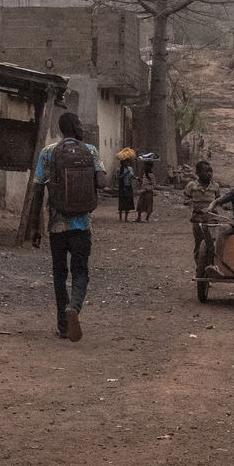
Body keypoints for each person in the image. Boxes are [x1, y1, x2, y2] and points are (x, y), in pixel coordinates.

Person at [33, 112, 106, 341]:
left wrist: (35, 227)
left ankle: (63, 327)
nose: (82, 128)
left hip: (57, 226)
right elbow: (102, 183)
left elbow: (37, 190)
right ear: (73, 127)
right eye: (80, 124)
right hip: (81, 225)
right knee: (80, 271)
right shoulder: (90, 151)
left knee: (59, 273)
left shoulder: (47, 152)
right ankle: (74, 305)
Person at [183, 160, 219, 269]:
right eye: (206, 171)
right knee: (199, 243)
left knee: (211, 242)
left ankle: (210, 265)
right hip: (197, 219)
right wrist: (194, 207)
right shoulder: (192, 185)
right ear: (198, 173)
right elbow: (185, 199)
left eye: (210, 171)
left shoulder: (215, 186)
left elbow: (218, 200)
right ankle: (200, 267)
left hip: (212, 219)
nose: (209, 174)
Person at [116, 152, 136, 222]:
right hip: (122, 187)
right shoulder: (119, 169)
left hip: (128, 186)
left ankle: (126, 218)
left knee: (128, 202)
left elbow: (132, 176)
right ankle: (120, 217)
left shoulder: (130, 169)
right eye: (125, 162)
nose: (127, 163)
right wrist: (125, 173)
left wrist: (136, 178)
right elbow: (118, 177)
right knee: (122, 201)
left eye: (127, 162)